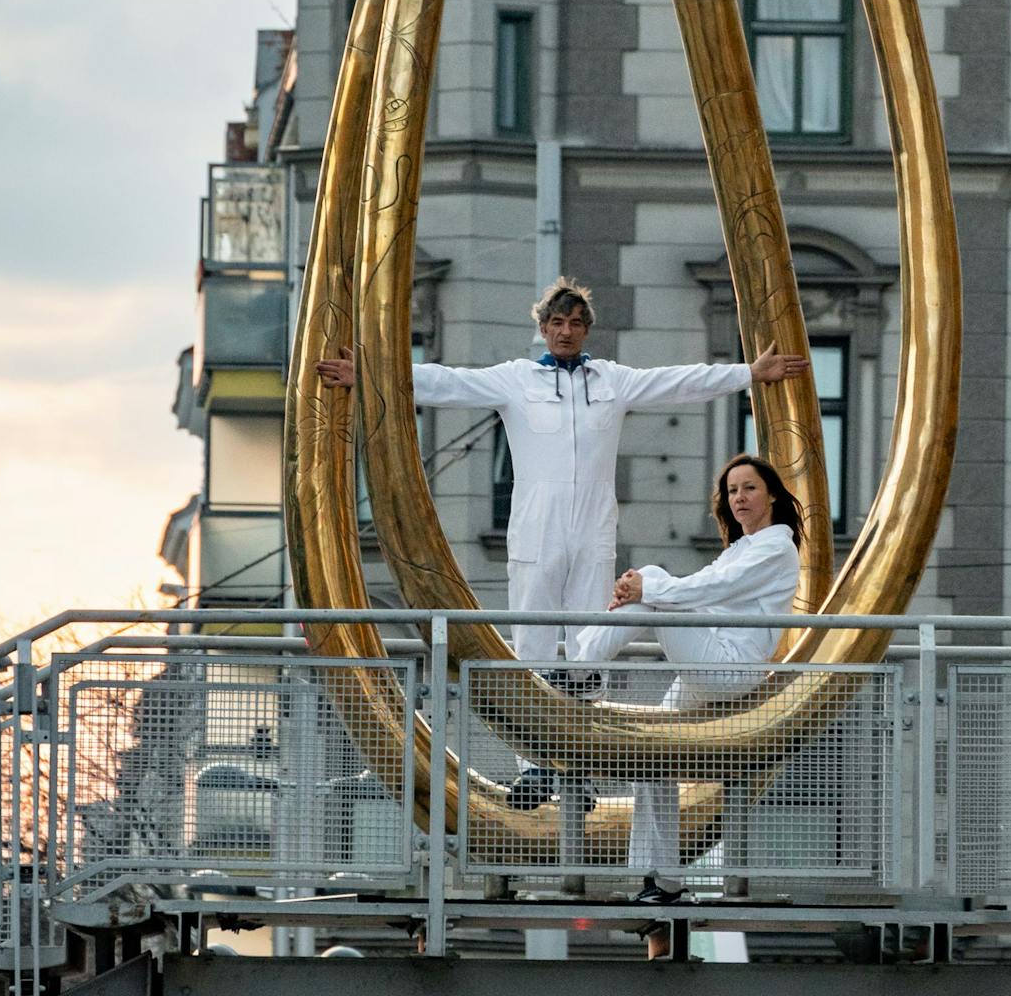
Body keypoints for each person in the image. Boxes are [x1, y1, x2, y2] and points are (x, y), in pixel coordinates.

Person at [316, 276, 807, 808]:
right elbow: (443, 382)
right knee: (530, 643)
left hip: (593, 526)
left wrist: (749, 374)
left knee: (586, 646)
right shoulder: (516, 380)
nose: (566, 331)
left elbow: (677, 381)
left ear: (587, 329)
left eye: (575, 323)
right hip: (536, 526)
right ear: (543, 329)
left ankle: (578, 767)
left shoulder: (610, 380)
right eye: (556, 323)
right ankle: (532, 765)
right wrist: (364, 377)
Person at [573, 454, 803, 905]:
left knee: (655, 579)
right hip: (706, 665)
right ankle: (660, 882)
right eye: (733, 490)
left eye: (750, 488)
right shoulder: (740, 547)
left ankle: (580, 669)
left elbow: (710, 591)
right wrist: (641, 588)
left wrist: (647, 587)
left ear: (772, 494)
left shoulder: (777, 548)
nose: (739, 497)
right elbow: (698, 584)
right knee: (652, 757)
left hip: (730, 668)